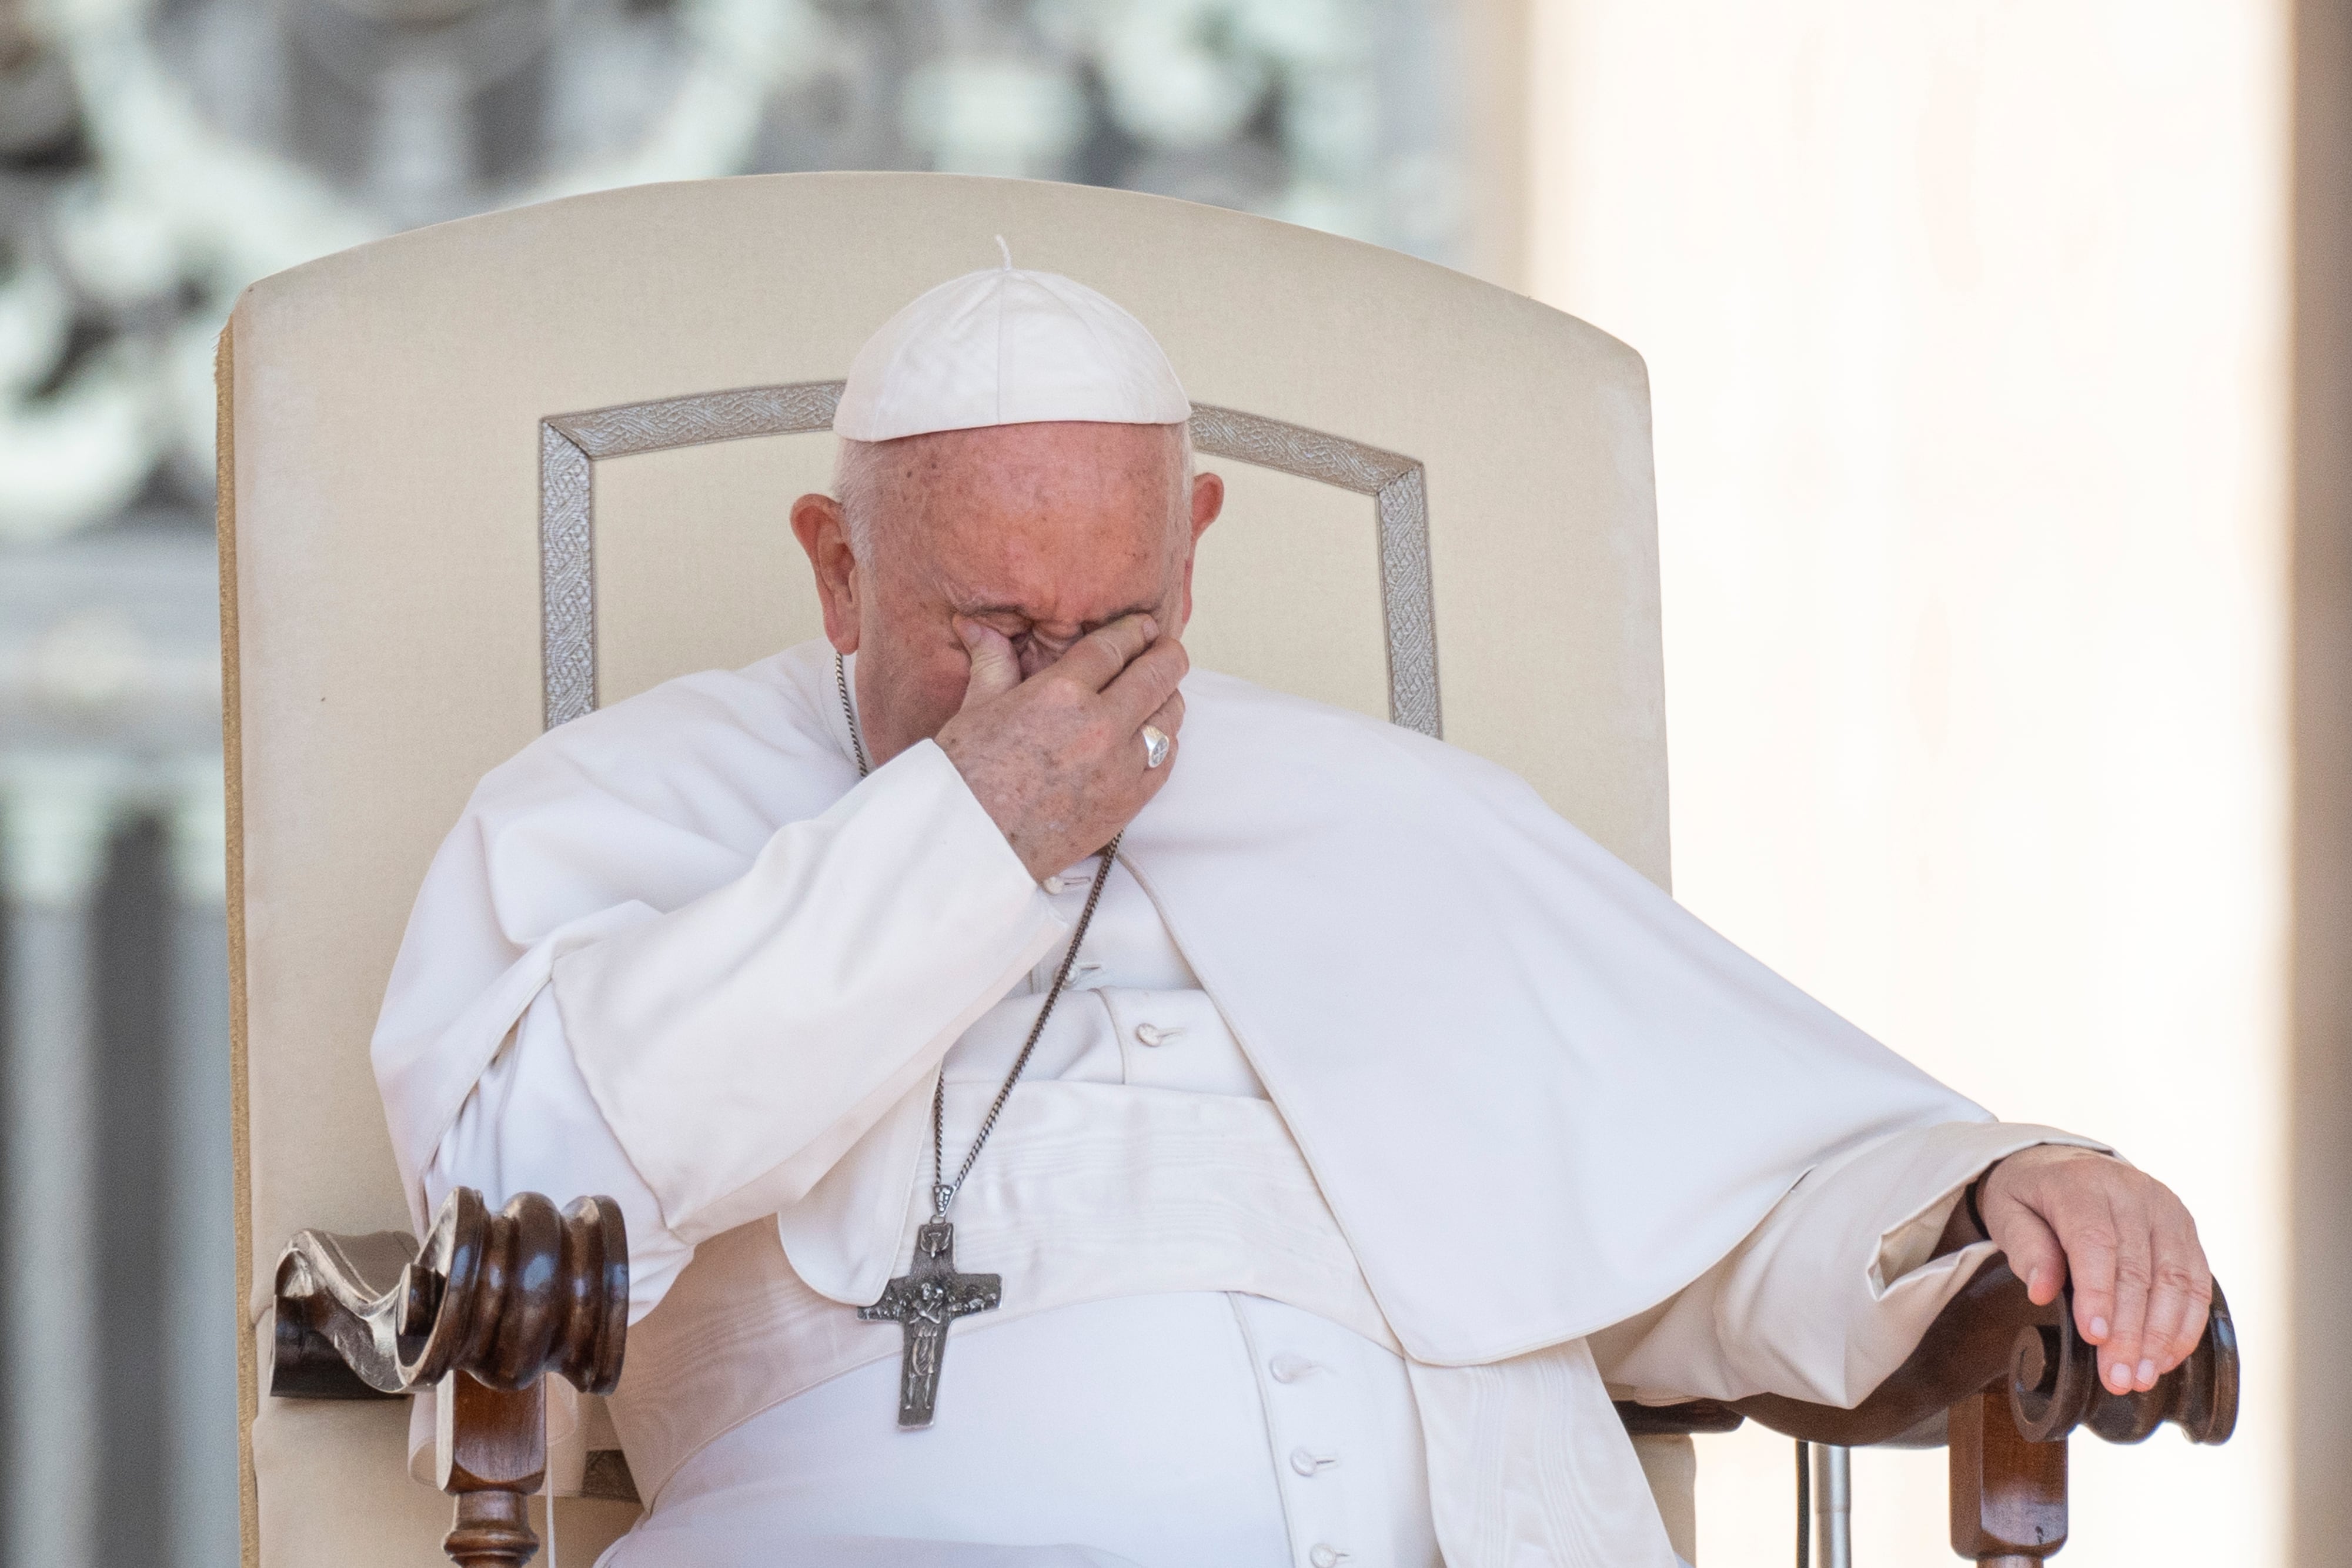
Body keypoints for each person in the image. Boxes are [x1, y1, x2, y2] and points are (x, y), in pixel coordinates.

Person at [370, 255, 2212, 1568]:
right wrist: (958, 838)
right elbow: (526, 1182)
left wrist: (1994, 1193)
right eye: (992, 634)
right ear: (839, 568)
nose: (1058, 693)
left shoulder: (1393, 814)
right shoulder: (620, 807)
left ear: (1197, 546)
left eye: (1113, 626)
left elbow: (1712, 1207)